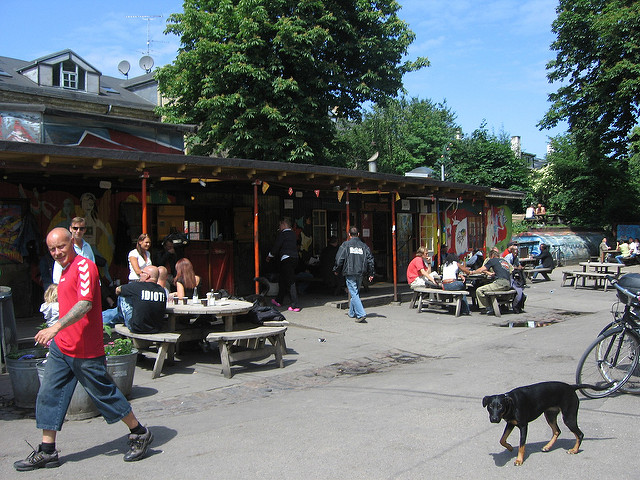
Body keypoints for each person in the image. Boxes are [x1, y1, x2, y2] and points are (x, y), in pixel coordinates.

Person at [14, 228, 152, 471]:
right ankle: (47, 451)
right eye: (52, 249)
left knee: (104, 394)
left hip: (84, 349)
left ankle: (139, 432)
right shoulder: (64, 270)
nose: (57, 253)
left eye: (61, 247)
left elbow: (85, 304)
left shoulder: (84, 266)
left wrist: (54, 327)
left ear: (72, 243)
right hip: (62, 347)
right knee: (49, 394)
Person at [103, 265, 167, 333]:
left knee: (122, 296)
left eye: (142, 272)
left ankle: (118, 318)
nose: (140, 274)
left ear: (147, 276)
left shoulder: (137, 286)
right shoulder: (162, 290)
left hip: (137, 328)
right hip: (156, 329)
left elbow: (118, 290)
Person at [333, 226, 375, 323]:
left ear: (349, 234)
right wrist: (371, 272)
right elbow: (370, 260)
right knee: (355, 292)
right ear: (358, 234)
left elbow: (339, 259)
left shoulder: (345, 245)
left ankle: (361, 314)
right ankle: (351, 313)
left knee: (354, 292)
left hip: (350, 271)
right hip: (360, 272)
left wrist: (336, 269)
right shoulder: (364, 246)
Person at [266, 217, 300, 312]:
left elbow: (277, 246)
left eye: (280, 225)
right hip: (294, 258)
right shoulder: (293, 234)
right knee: (283, 280)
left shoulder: (283, 234)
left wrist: (270, 255)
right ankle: (279, 300)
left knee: (290, 282)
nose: (279, 227)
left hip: (286, 259)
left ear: (284, 224)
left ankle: (295, 305)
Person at [52, 217, 95, 283]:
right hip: (70, 285)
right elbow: (58, 270)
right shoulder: (65, 248)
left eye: (81, 229)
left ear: (85, 230)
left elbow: (93, 267)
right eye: (75, 228)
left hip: (86, 286)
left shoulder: (87, 247)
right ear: (70, 229)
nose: (78, 231)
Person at [471, 249, 512, 315]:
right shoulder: (504, 261)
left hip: (500, 283)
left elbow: (481, 269)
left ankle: (487, 308)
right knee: (489, 288)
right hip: (508, 283)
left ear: (492, 256)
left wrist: (472, 272)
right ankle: (492, 306)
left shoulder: (492, 260)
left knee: (479, 290)